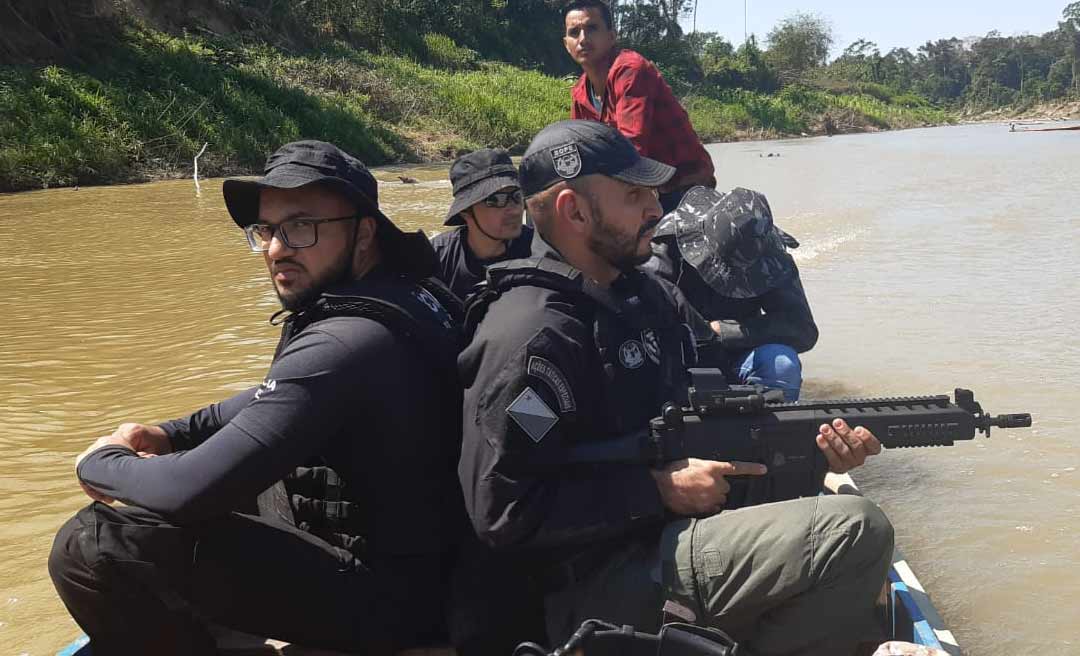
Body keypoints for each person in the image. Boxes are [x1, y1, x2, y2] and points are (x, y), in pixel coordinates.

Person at [458, 120, 894, 655]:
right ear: (574, 211)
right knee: (855, 530)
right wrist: (655, 490)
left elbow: (712, 399)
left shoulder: (647, 296)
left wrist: (816, 451)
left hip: (655, 532)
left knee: (803, 490)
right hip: (589, 581)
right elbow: (501, 512)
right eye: (634, 195)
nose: (656, 211)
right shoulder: (530, 339)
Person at [48, 140, 465, 656]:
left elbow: (189, 491)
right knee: (232, 462)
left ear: (364, 232)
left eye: (301, 227)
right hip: (431, 568)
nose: (276, 249)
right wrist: (168, 433)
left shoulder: (347, 339)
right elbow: (272, 400)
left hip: (400, 603)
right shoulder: (399, 297)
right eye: (266, 230)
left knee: (92, 543)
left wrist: (100, 462)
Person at [646, 186, 818, 400]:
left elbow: (803, 329)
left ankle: (770, 429)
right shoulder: (665, 245)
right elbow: (639, 315)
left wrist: (724, 331)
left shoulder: (768, 252)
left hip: (740, 351)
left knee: (782, 363)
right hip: (678, 352)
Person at [562, 0, 716, 213]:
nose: (583, 39)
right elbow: (578, 152)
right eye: (574, 32)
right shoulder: (580, 93)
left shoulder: (630, 71)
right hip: (634, 188)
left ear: (611, 36)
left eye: (592, 28)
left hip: (683, 187)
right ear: (566, 44)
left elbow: (631, 150)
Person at [432, 147, 533, 300]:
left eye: (517, 196)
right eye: (496, 200)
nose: (514, 210)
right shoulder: (437, 258)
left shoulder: (540, 250)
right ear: (466, 211)